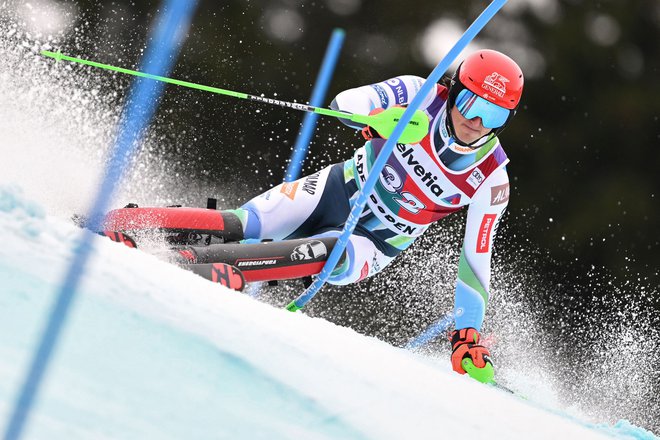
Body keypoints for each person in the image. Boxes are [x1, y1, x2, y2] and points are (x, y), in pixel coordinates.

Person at [223, 49, 524, 378]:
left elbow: (476, 261)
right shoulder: (417, 94)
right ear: (453, 91)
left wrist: (466, 334)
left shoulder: (493, 178)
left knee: (330, 253)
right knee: (247, 221)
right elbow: (346, 103)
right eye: (471, 103)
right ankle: (189, 233)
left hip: (375, 242)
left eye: (494, 115)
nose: (477, 121)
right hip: (335, 189)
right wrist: (377, 121)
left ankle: (229, 267)